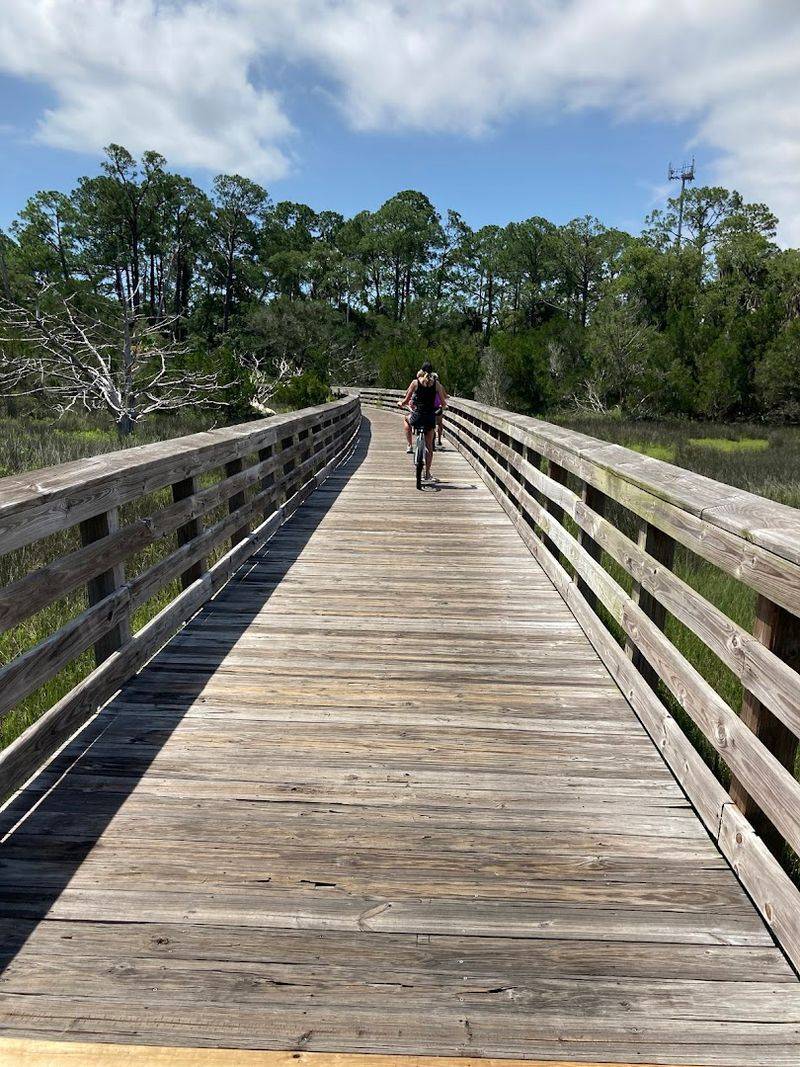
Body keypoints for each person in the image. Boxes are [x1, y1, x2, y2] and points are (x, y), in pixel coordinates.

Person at [398, 362, 447, 482]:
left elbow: (406, 400)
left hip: (417, 416)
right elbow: (444, 402)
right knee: (429, 447)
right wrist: (443, 407)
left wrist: (401, 403)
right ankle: (428, 473)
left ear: (421, 370)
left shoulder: (415, 383)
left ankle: (409, 444)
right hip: (430, 418)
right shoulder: (436, 384)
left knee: (406, 418)